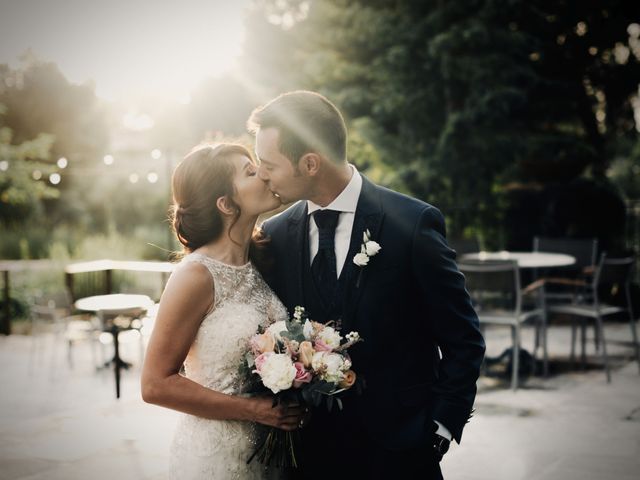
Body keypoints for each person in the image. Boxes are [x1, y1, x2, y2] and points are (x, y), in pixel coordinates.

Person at [248, 91, 486, 480]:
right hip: (308, 457)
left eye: (268, 163)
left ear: (310, 163)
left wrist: (439, 429)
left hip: (400, 453)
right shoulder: (274, 235)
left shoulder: (412, 225)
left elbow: (463, 337)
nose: (261, 174)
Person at [140, 143, 304, 479]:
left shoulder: (261, 262)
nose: (263, 173)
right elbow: (155, 385)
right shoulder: (195, 275)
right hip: (217, 457)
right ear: (226, 204)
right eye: (249, 171)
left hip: (269, 456)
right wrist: (253, 410)